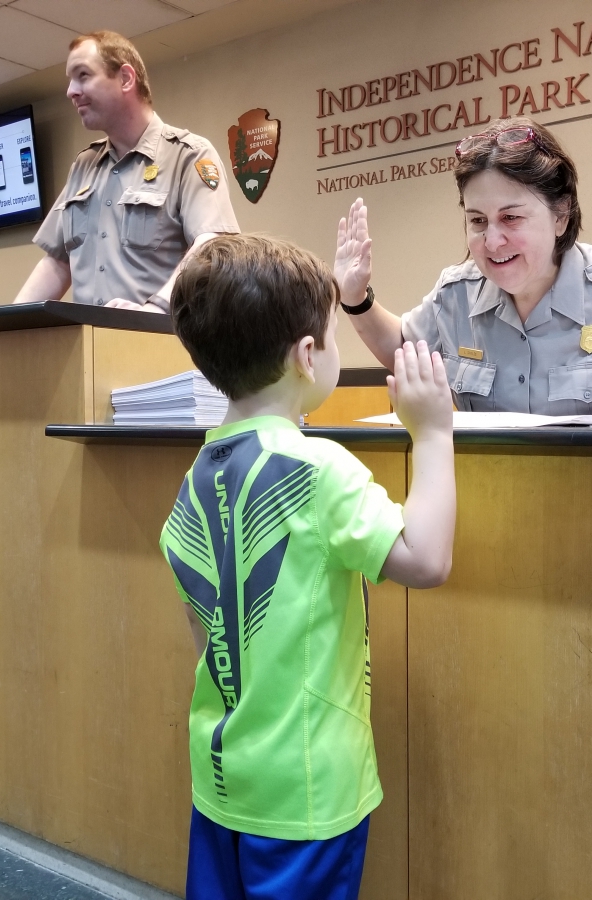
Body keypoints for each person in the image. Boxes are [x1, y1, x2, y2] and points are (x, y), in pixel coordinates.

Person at [160, 233, 455, 899]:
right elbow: (426, 558)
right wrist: (433, 433)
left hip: (222, 773)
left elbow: (202, 624)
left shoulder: (197, 475)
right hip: (306, 789)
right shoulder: (315, 471)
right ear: (306, 355)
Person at [332, 117, 592, 414]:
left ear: (561, 215)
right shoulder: (456, 295)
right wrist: (354, 296)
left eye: (512, 218)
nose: (492, 240)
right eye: (477, 221)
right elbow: (402, 348)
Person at [15, 30, 239, 311]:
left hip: (155, 342)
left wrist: (155, 310)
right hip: (92, 348)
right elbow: (58, 262)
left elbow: (212, 244)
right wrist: (10, 324)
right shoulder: (84, 165)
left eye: (83, 75)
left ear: (125, 78)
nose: (71, 91)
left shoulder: (188, 155)